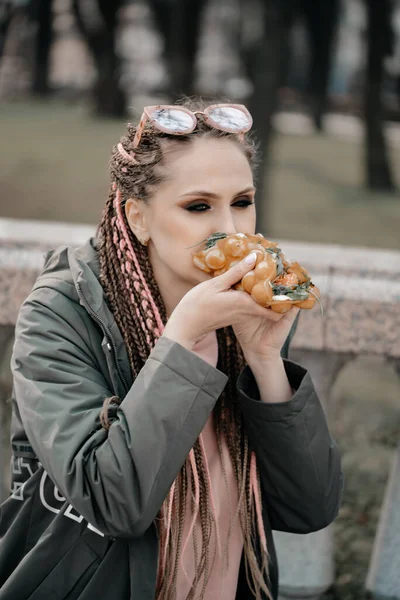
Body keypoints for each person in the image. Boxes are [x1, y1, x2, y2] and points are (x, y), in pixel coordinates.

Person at [0, 100, 342, 600]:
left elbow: (309, 507)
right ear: (138, 217)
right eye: (199, 206)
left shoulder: (245, 311)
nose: (231, 228)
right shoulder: (59, 316)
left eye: (242, 202)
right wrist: (181, 342)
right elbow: (114, 502)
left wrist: (267, 363)